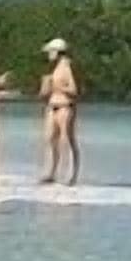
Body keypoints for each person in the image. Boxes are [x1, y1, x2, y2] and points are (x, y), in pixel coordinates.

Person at [39, 38, 81, 185]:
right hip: (52, 106)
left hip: (65, 106)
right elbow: (43, 93)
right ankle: (51, 171)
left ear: (57, 52)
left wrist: (58, 87)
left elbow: (74, 90)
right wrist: (46, 86)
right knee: (50, 139)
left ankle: (70, 174)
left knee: (67, 140)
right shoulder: (53, 68)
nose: (48, 54)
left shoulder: (67, 67)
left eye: (50, 51)